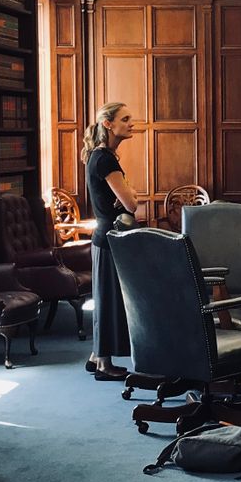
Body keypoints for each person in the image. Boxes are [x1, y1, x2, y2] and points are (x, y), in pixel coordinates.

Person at [81, 102, 137, 381]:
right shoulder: (105, 159)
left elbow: (124, 200)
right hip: (109, 237)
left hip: (108, 236)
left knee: (107, 297)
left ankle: (96, 356)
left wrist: (126, 196)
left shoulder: (101, 156)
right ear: (108, 124)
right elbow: (131, 203)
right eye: (125, 119)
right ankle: (104, 364)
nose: (131, 123)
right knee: (107, 300)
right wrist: (130, 195)